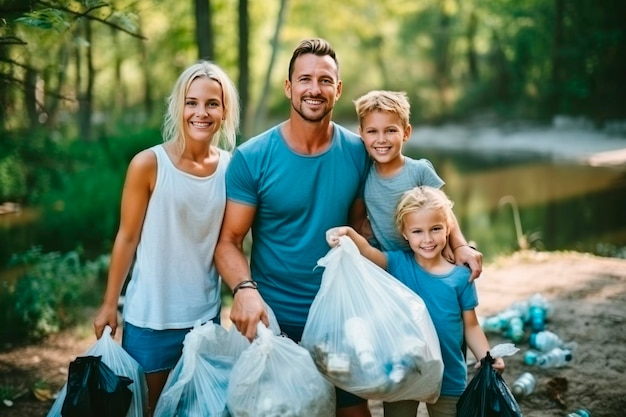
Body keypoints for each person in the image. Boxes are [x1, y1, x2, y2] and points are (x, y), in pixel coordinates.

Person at [214, 38, 373, 417]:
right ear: (289, 88)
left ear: (338, 89)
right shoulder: (253, 157)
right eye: (304, 79)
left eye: (324, 80)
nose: (314, 89)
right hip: (275, 323)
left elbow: (363, 228)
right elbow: (228, 242)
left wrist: (453, 241)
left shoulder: (359, 152)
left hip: (339, 318)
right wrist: (245, 290)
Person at [93, 61, 240, 416]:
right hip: (151, 318)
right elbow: (127, 237)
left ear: (224, 111)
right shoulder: (148, 164)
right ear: (179, 107)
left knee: (200, 410)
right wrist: (110, 302)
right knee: (149, 410)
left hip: (205, 319)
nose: (201, 112)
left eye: (212, 103)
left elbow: (232, 241)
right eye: (192, 102)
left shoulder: (233, 168)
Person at [326, 185, 505, 417]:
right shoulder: (397, 264)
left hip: (448, 377)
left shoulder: (461, 277)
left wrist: (487, 356)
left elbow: (470, 325)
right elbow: (368, 254)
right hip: (402, 373)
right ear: (404, 233)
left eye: (436, 229)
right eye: (417, 231)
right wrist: (349, 234)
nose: (427, 239)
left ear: (448, 228)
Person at [353, 90, 482, 279]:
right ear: (362, 134)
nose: (381, 139)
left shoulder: (419, 170)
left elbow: (445, 213)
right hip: (392, 264)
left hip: (431, 257)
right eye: (372, 131)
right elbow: (359, 222)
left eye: (390, 130)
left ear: (406, 133)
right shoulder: (364, 176)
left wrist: (459, 246)